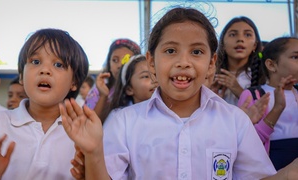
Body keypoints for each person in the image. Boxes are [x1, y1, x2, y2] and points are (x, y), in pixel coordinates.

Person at [60, 7, 298, 179]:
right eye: (171, 50)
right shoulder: (123, 122)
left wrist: (289, 173)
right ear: (152, 63)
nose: (183, 62)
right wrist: (94, 155)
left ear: (212, 63)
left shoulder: (235, 121)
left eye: (196, 52)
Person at [0, 28, 89, 180]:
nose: (45, 70)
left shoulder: (84, 129)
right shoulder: (0, 122)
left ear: (74, 82)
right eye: (35, 62)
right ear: (21, 77)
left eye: (58, 64)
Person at [237, 37, 298, 170]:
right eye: (295, 57)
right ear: (271, 65)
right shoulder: (253, 95)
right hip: (271, 168)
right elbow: (245, 144)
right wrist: (277, 109)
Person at [84, 38, 141, 119]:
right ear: (109, 64)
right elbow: (88, 124)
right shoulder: (98, 91)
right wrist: (103, 96)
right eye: (115, 60)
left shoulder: (145, 87)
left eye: (126, 59)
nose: (119, 65)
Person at [213, 16, 263, 105]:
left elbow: (264, 112)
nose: (240, 39)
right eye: (233, 34)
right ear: (223, 44)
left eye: (247, 35)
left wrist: (238, 89)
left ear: (255, 45)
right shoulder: (210, 73)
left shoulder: (263, 75)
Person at [100, 54, 158, 122]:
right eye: (145, 76)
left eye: (156, 74)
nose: (155, 79)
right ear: (129, 89)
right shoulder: (119, 118)